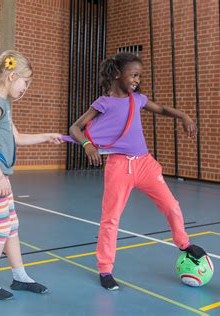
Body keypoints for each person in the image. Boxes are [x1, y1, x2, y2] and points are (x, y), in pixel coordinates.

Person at [68, 52, 207, 291]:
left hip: (145, 164)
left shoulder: (138, 99)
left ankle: (183, 243)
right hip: (119, 167)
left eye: (138, 76)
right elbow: (75, 128)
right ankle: (105, 268)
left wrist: (183, 115)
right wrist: (87, 145)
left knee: (171, 205)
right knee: (110, 218)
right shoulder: (103, 103)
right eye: (133, 75)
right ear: (117, 75)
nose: (136, 80)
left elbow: (161, 108)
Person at [0, 50, 63, 300]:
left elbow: (17, 138)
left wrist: (46, 136)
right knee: (2, 229)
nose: (26, 88)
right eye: (26, 82)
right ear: (12, 76)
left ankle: (19, 276)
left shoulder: (3, 104)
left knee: (12, 226)